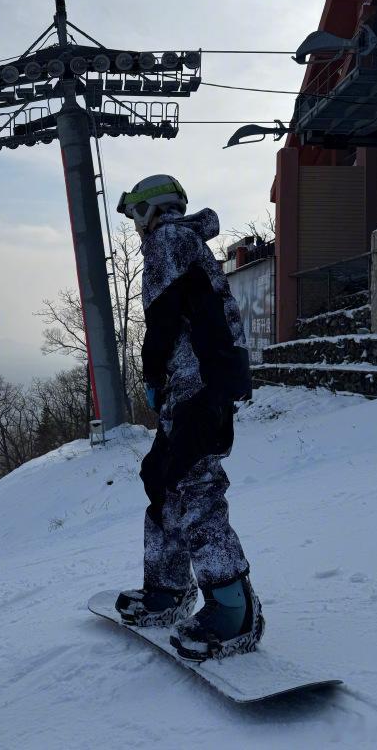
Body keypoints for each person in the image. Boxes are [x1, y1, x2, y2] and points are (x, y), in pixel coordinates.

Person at [114, 174, 264, 661]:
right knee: (162, 480)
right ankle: (169, 590)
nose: (136, 228)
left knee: (195, 490)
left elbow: (160, 322)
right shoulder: (183, 243)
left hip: (199, 389)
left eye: (137, 215)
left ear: (150, 211)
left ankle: (235, 609)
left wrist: (151, 374)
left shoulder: (169, 241)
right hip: (193, 387)